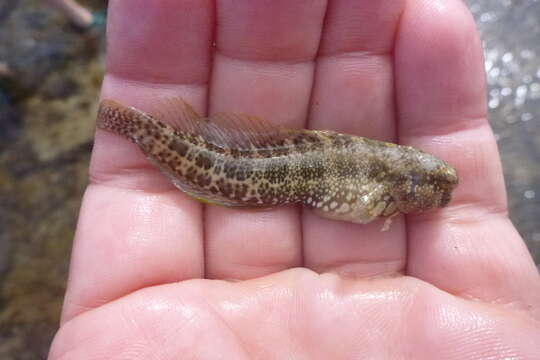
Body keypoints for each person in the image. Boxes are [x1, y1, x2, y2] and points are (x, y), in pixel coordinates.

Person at [48, 0, 540, 358]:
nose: (441, 194)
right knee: (214, 168)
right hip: (255, 169)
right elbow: (357, 205)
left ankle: (117, 121)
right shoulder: (385, 185)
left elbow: (352, 201)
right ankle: (124, 122)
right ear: (405, 181)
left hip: (265, 168)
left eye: (437, 185)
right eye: (432, 186)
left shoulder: (393, 177)